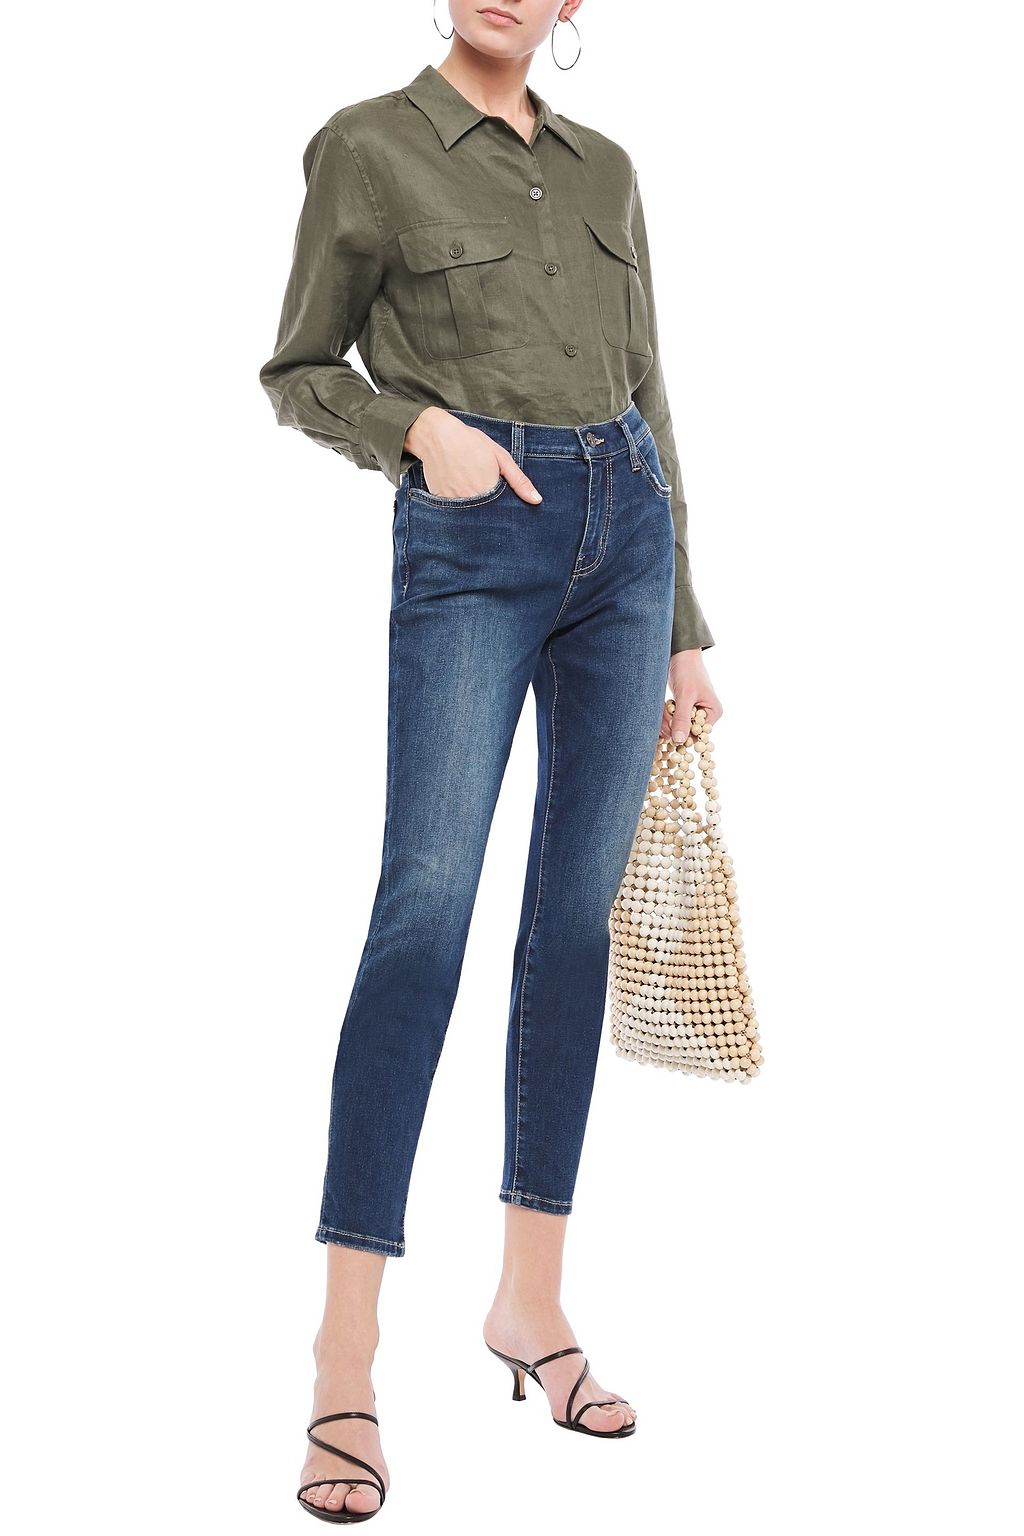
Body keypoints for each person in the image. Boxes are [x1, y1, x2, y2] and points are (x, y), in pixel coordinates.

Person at [260, 0, 723, 1521]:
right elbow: (297, 368)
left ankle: (531, 1303)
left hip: (626, 545)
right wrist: (419, 433)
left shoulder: (609, 171)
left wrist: (684, 627)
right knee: (424, 916)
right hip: (476, 536)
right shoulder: (368, 147)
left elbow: (651, 391)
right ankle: (344, 1356)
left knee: (573, 927)